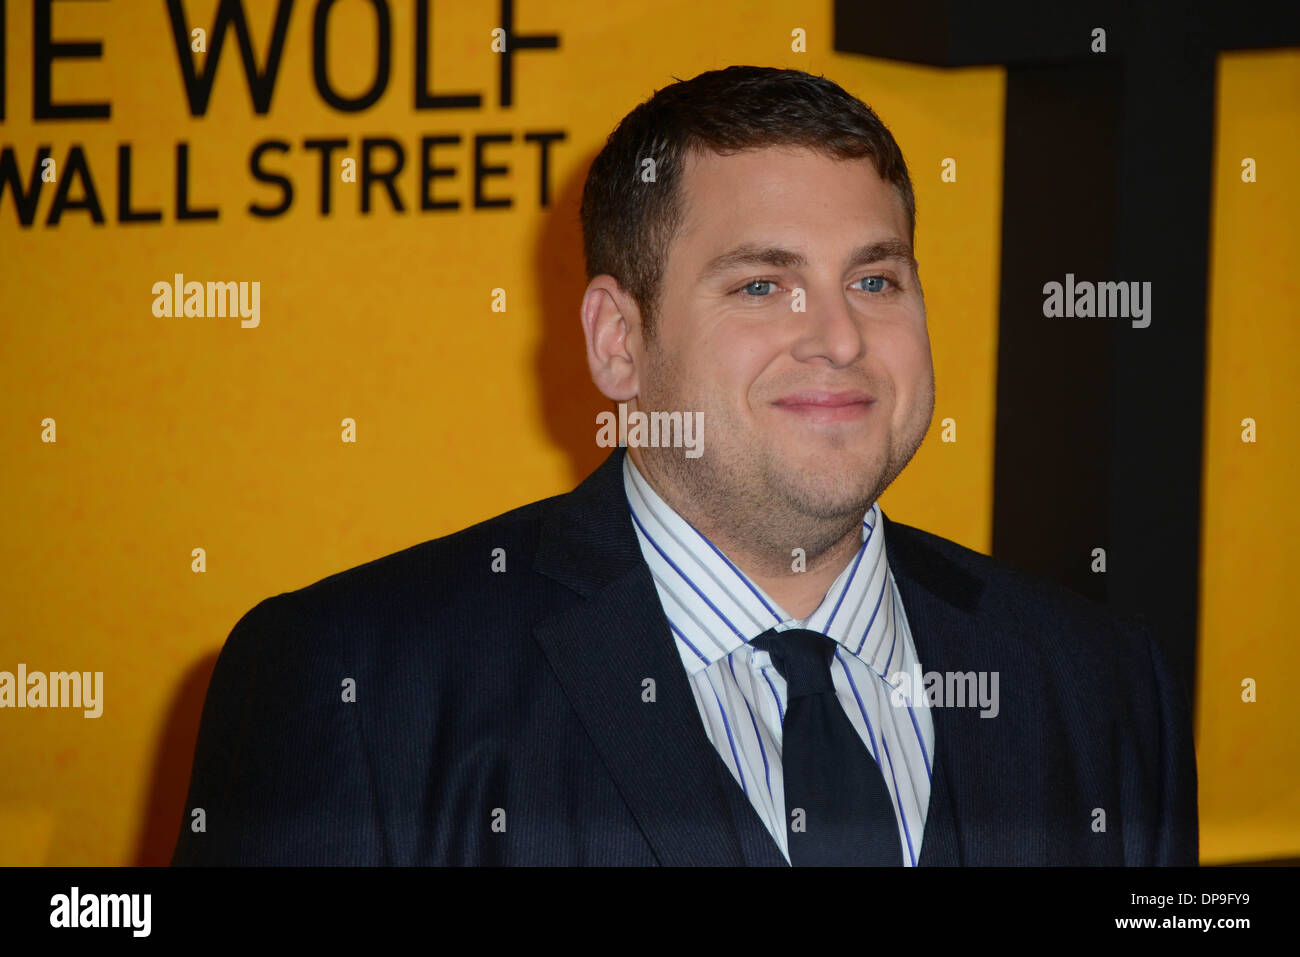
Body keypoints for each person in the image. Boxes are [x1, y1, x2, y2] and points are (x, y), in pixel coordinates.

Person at [171, 65, 1198, 866]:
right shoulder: (359, 687)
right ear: (618, 341)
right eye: (761, 287)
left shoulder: (1100, 684)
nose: (839, 337)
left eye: (876, 278)